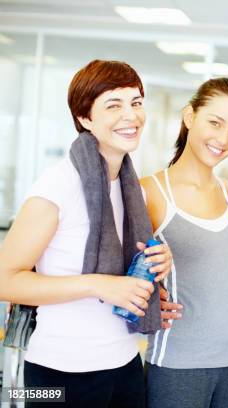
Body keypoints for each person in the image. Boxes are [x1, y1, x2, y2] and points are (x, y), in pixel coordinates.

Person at [0, 60, 174, 408]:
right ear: (84, 118)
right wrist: (97, 284)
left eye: (136, 102)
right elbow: (6, 279)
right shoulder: (58, 185)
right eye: (114, 104)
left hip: (124, 362)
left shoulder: (131, 190)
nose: (132, 115)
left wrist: (158, 271)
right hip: (59, 371)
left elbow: (126, 274)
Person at [141, 78, 228, 408]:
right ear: (190, 116)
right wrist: (150, 301)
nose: (224, 139)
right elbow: (121, 270)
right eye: (215, 123)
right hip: (179, 362)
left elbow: (225, 265)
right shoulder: (150, 192)